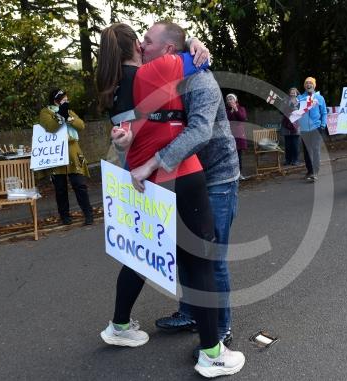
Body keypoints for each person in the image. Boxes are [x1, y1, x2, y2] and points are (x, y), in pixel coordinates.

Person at [96, 23, 245, 378]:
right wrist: (196, 45)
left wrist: (139, 157)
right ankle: (204, 333)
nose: (144, 45)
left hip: (211, 176)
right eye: (141, 41)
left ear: (164, 50)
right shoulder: (155, 74)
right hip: (176, 178)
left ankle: (216, 328)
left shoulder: (130, 82)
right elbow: (195, 65)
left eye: (149, 41)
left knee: (200, 258)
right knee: (194, 258)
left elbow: (198, 130)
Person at [38, 89, 93, 225]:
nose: (66, 101)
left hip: (73, 152)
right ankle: (65, 217)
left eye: (66, 98)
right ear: (55, 100)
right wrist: (60, 116)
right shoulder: (45, 112)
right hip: (57, 154)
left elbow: (81, 125)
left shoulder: (69, 111)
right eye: (63, 99)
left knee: (79, 184)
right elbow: (50, 127)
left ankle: (88, 214)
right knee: (60, 187)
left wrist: (69, 118)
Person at [297, 77, 327, 182]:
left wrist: (323, 124)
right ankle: (309, 171)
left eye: (310, 83)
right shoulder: (300, 98)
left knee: (315, 149)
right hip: (304, 129)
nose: (308, 85)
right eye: (306, 83)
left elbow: (324, 112)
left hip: (316, 127)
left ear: (314, 85)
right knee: (306, 151)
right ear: (304, 86)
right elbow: (295, 112)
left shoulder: (319, 98)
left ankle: (315, 172)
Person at [225, 93, 248, 179]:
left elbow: (242, 118)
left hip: (239, 134)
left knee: (239, 155)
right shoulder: (226, 110)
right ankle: (232, 174)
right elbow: (226, 120)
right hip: (230, 134)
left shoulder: (241, 108)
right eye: (228, 99)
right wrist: (231, 112)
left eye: (231, 99)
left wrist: (236, 110)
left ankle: (239, 173)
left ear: (235, 100)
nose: (230, 101)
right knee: (230, 155)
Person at [281, 87, 301, 166]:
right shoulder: (285, 101)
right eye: (291, 92)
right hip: (286, 125)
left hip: (296, 125)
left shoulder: (300, 102)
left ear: (297, 94)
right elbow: (281, 111)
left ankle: (295, 160)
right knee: (287, 144)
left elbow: (301, 112)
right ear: (289, 93)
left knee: (295, 144)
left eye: (294, 92)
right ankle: (287, 160)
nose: (292, 94)